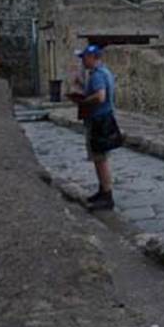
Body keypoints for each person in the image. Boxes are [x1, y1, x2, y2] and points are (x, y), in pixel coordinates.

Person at [70, 45, 119, 210]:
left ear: (92, 57)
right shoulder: (105, 72)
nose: (82, 61)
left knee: (100, 159)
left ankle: (107, 195)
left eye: (84, 58)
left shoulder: (97, 75)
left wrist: (83, 101)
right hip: (104, 118)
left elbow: (100, 96)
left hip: (98, 120)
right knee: (100, 157)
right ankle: (102, 191)